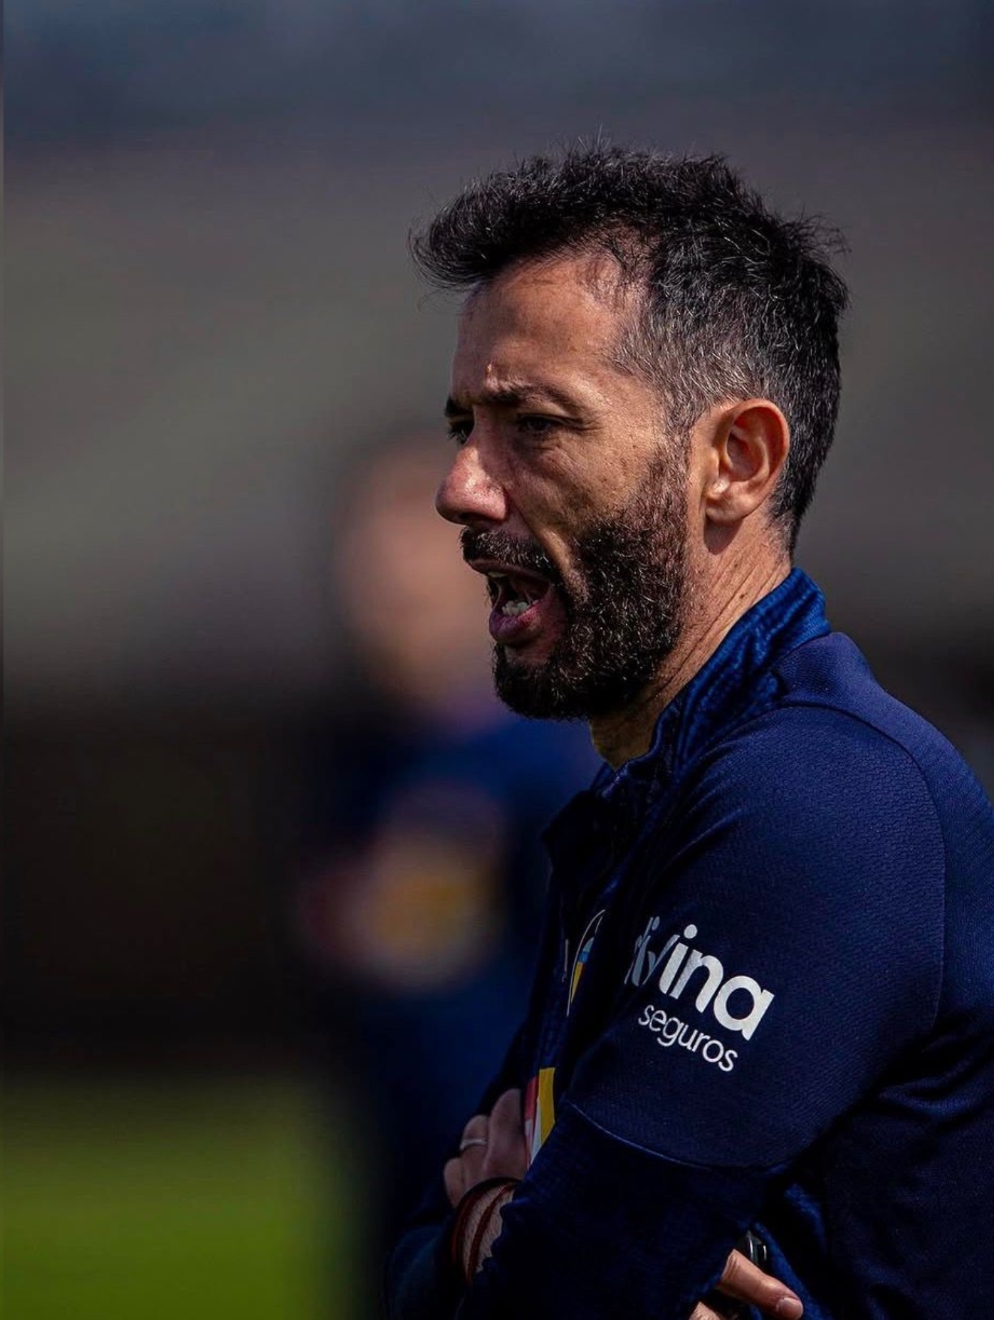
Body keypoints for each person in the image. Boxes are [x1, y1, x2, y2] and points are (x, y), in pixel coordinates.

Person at [384, 146, 994, 1319]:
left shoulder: (823, 800)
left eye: (534, 426)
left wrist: (510, 1233)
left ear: (736, 462)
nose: (461, 488)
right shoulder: (649, 796)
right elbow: (431, 1272)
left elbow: (561, 1292)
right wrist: (487, 1229)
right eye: (466, 423)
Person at [292, 437, 594, 1308]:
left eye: (413, 555)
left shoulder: (552, 761)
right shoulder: (350, 762)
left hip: (520, 1185)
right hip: (390, 1169)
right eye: (366, 558)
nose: (384, 587)